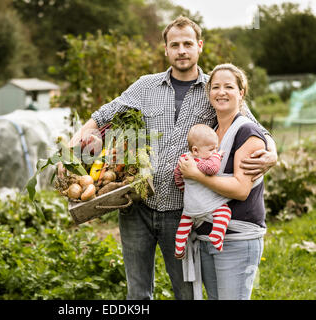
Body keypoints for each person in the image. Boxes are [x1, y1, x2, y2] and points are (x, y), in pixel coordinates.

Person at [58, 16, 277, 300]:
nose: (182, 50)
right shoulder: (145, 87)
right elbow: (102, 115)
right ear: (166, 50)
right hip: (137, 204)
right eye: (175, 45)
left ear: (199, 46)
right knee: (137, 293)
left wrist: (272, 153)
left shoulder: (216, 89)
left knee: (186, 291)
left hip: (182, 210)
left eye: (188, 44)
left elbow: (253, 126)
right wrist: (72, 149)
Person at [178, 63, 269, 300]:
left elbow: (240, 189)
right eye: (215, 87)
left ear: (241, 93)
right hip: (208, 237)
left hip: (238, 239)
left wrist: (196, 175)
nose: (221, 92)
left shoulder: (247, 133)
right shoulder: (210, 133)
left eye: (229, 86)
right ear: (209, 94)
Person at [174, 124, 231, 259]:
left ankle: (179, 247)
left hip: (189, 206)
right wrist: (217, 157)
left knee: (184, 224)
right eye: (212, 149)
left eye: (216, 148)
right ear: (195, 150)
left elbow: (177, 175)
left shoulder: (184, 159)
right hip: (206, 204)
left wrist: (182, 188)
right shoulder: (200, 162)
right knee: (225, 211)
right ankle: (217, 235)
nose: (215, 151)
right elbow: (212, 169)